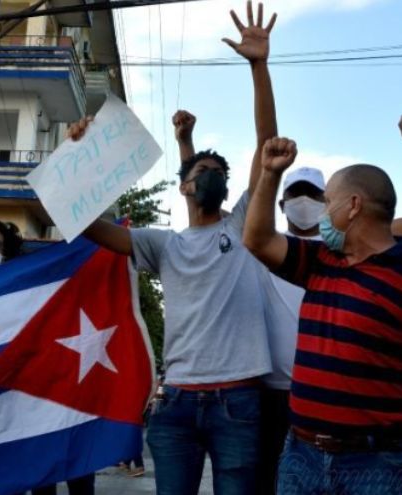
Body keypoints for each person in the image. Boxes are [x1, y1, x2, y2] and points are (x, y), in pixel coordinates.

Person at [69, 2, 279, 493]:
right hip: (177, 404)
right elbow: (86, 224)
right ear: (185, 186)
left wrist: (259, 67)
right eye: (202, 172)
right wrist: (75, 155)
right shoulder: (163, 245)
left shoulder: (245, 228)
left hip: (239, 402)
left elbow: (266, 145)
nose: (213, 177)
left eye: (219, 174)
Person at [243, 134, 402, 495]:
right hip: (302, 456)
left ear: (353, 205)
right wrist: (268, 174)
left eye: (328, 202)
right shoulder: (319, 260)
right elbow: (258, 240)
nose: (323, 214)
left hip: (378, 466)